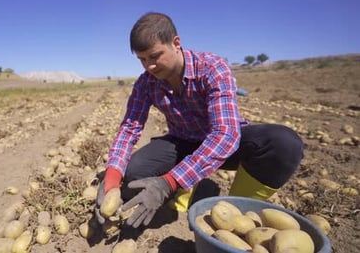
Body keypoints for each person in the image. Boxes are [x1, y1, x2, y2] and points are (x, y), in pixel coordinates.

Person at [94, 12, 304, 229]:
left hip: (227, 146)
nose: (149, 67)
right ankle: (182, 194)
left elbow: (226, 135)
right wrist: (112, 177)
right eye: (142, 60)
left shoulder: (212, 68)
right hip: (182, 142)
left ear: (176, 43)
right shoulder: (146, 83)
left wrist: (168, 182)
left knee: (283, 143)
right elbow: (130, 128)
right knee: (134, 172)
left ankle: (238, 209)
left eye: (155, 56)